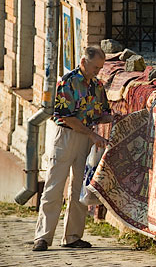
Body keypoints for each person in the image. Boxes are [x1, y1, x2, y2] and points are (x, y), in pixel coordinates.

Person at [33, 45, 113, 251]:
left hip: (85, 137)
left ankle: (72, 237)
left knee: (79, 188)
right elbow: (67, 117)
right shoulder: (68, 82)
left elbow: (100, 113)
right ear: (84, 62)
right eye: (96, 67)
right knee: (54, 186)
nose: (98, 71)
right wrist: (93, 134)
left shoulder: (97, 85)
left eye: (100, 68)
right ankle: (42, 236)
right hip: (66, 136)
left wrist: (113, 118)